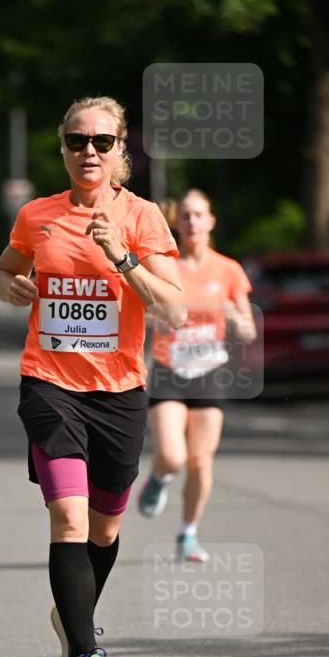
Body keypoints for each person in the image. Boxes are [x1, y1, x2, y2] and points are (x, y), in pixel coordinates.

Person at [0, 96, 185, 657]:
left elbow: (175, 310)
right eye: (78, 141)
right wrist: (13, 287)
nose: (89, 152)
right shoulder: (37, 216)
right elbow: (2, 273)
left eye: (102, 141)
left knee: (104, 527)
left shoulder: (143, 217)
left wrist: (122, 258)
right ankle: (83, 655)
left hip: (120, 391)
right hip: (50, 383)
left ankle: (68, 614)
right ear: (63, 148)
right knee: (70, 521)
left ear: (120, 149)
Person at [138, 189, 256, 561]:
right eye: (185, 215)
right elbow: (140, 315)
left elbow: (249, 330)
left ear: (210, 221)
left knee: (201, 461)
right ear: (177, 221)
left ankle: (188, 534)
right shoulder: (163, 265)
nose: (191, 221)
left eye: (198, 214)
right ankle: (159, 476)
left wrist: (235, 317)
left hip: (209, 371)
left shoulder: (228, 270)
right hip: (169, 369)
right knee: (173, 456)